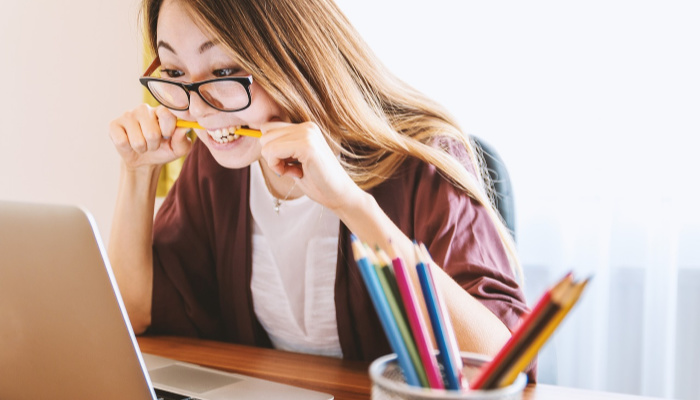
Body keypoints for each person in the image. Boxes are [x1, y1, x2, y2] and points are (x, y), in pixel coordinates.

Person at [108, 0, 531, 370]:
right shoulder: (215, 167)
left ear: (292, 54)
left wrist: (351, 204)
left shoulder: (422, 161)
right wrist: (138, 172)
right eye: (176, 71)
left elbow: (499, 363)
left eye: (223, 70)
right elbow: (134, 313)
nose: (199, 109)